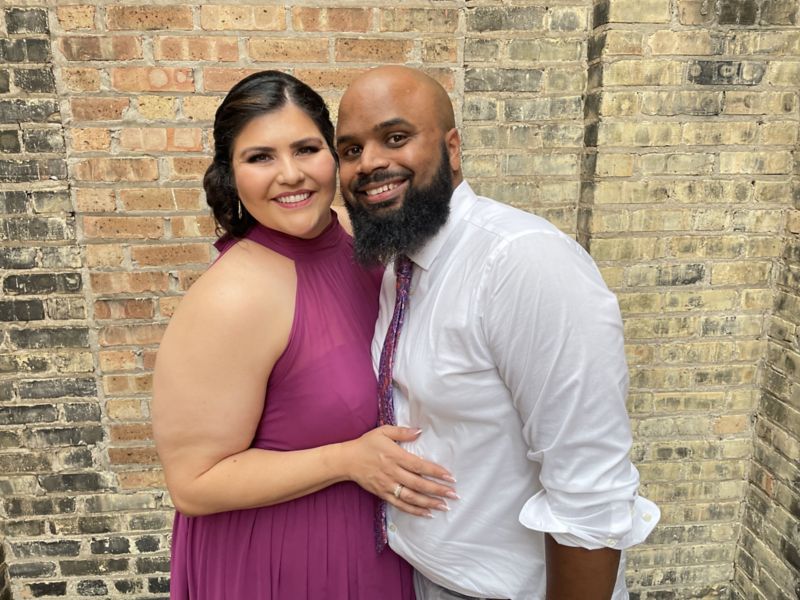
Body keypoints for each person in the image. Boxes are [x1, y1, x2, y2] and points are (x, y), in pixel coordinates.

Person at [335, 65, 660, 600]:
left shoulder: (521, 261)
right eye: (351, 150)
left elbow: (591, 492)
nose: (368, 163)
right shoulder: (400, 263)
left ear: (452, 149)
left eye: (395, 138)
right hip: (418, 577)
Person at [151, 70, 457, 600]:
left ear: (334, 156)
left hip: (375, 546)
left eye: (306, 149)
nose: (290, 175)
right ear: (231, 176)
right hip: (276, 561)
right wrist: (345, 460)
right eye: (260, 157)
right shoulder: (232, 297)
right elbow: (193, 483)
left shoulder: (363, 245)